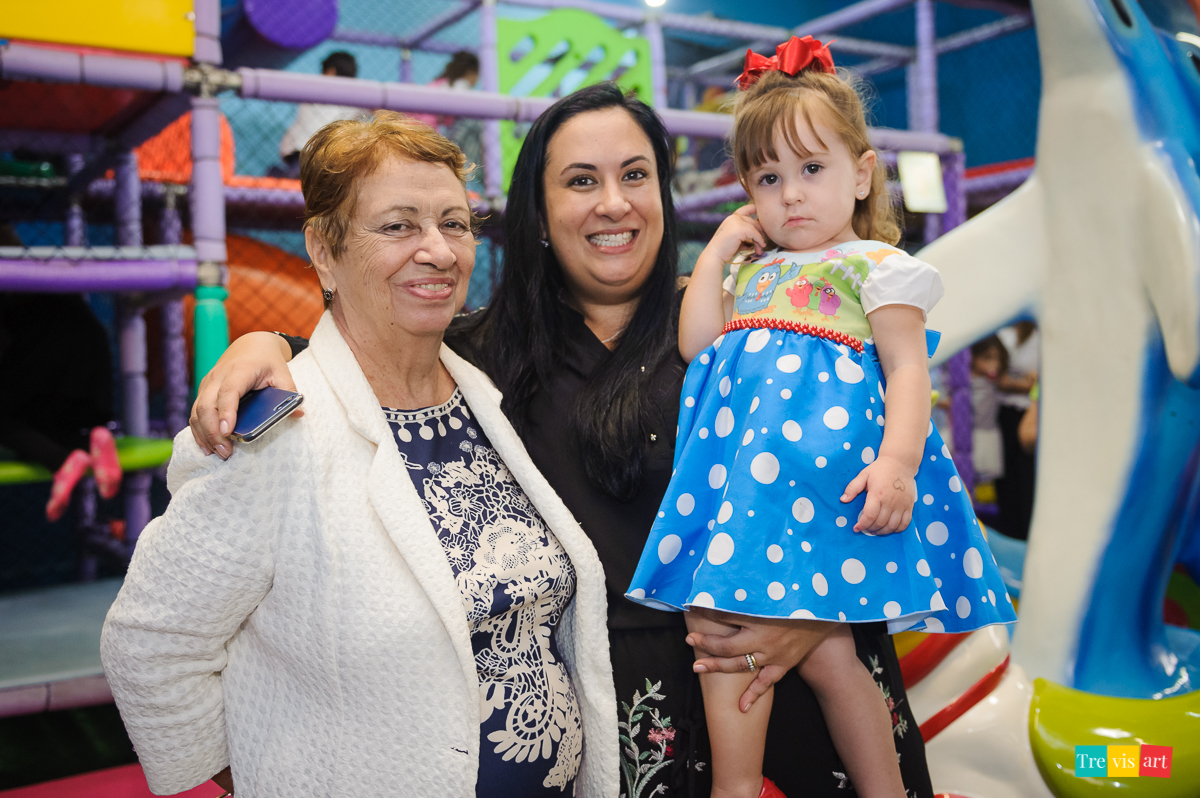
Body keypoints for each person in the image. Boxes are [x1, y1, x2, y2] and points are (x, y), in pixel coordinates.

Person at [188, 83, 937, 798]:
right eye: (580, 180)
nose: (613, 203)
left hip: (800, 680)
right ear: (539, 214)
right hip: (619, 716)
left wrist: (815, 623)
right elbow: (370, 362)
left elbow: (877, 469)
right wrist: (271, 343)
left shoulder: (756, 322)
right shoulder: (481, 359)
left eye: (635, 175)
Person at [100, 113, 618, 797]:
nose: (438, 250)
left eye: (454, 223)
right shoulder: (275, 433)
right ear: (323, 249)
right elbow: (150, 641)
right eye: (399, 226)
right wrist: (259, 776)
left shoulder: (491, 395)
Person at [624, 39, 1016, 798]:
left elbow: (907, 369)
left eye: (812, 169)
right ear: (745, 190)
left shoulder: (876, 264)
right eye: (768, 178)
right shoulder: (753, 270)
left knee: (836, 657)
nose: (791, 195)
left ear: (861, 171)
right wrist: (714, 260)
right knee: (728, 637)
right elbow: (699, 345)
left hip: (834, 491)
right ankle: (734, 786)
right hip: (751, 495)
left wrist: (897, 463)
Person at [0, 283, 122, 521]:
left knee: (7, 419)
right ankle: (89, 441)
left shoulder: (15, 286)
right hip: (92, 351)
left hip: (45, 344)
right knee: (39, 430)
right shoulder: (38, 269)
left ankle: (62, 461)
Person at [269, 51, 364, 179]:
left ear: (330, 72)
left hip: (302, 154)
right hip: (337, 162)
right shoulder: (360, 95)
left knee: (278, 176)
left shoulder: (313, 85)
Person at [994, 320, 1039, 539]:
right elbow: (999, 379)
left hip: (1029, 410)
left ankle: (1026, 529)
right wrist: (1027, 384)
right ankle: (1010, 529)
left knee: (1026, 474)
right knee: (1006, 474)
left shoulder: (1039, 339)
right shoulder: (1005, 336)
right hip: (1005, 412)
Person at [968, 335, 1008, 486]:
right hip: (972, 436)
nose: (995, 365)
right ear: (974, 357)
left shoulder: (994, 382)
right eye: (988, 358)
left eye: (998, 359)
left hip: (987, 433)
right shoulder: (968, 383)